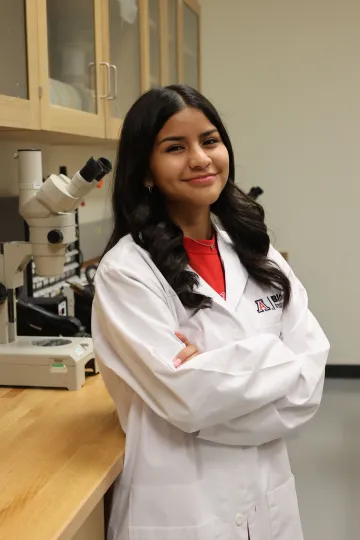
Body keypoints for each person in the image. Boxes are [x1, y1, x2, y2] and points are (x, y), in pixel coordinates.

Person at [92, 84, 330, 540]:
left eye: (210, 140)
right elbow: (187, 398)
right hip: (182, 507)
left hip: (268, 501)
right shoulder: (126, 271)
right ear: (145, 170)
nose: (200, 159)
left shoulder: (258, 253)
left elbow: (309, 385)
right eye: (175, 148)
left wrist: (216, 369)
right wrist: (278, 355)